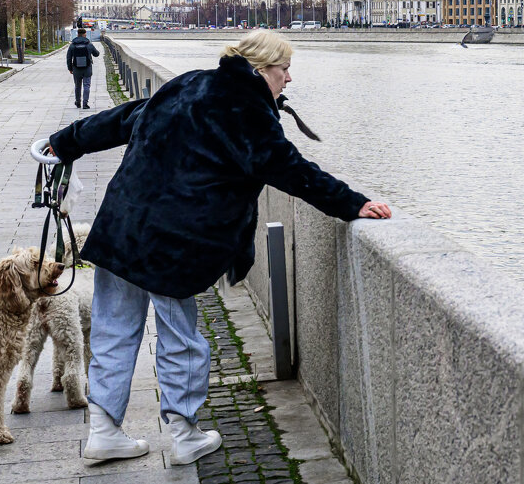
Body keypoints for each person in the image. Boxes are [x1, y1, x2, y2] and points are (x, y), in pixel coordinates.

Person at [44, 30, 391, 465]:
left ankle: (103, 431)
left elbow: (126, 117)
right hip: (173, 242)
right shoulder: (246, 108)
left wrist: (65, 140)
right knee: (180, 338)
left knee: (114, 330)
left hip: (122, 226)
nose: (288, 79)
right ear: (261, 69)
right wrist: (355, 203)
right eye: (285, 69)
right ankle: (185, 434)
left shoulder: (190, 81)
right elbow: (291, 169)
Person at [66, 28, 100, 109]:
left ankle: (78, 102)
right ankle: (85, 103)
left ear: (77, 34)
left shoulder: (72, 45)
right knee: (86, 85)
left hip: (76, 68)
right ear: (85, 34)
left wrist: (70, 68)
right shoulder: (89, 44)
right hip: (87, 68)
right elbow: (96, 54)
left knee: (77, 86)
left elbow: (68, 58)